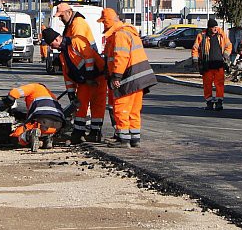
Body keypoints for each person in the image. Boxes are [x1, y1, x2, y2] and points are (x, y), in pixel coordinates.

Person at [98, 8, 157, 147]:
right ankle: (134, 138)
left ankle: (124, 139)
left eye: (104, 22)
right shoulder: (129, 32)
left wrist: (116, 76)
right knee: (134, 110)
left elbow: (121, 57)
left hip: (128, 76)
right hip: (138, 77)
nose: (103, 25)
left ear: (108, 22)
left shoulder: (120, 35)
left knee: (121, 107)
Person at [41, 26, 107, 144]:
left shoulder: (76, 41)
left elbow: (89, 58)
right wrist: (71, 94)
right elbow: (68, 77)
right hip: (85, 81)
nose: (52, 48)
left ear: (56, 40)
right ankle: (79, 133)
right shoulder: (63, 55)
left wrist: (90, 77)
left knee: (97, 105)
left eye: (51, 45)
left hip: (98, 77)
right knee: (81, 105)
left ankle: (94, 133)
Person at [3, 83, 66, 149]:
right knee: (42, 128)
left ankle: (29, 135)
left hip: (42, 118)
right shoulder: (50, 94)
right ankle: (46, 139)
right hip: (58, 123)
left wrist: (8, 101)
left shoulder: (34, 87)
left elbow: (14, 93)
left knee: (17, 135)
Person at [192, 18, 232, 110]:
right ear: (209, 28)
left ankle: (219, 102)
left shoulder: (221, 35)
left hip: (219, 64)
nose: (215, 29)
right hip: (207, 65)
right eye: (213, 27)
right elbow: (195, 48)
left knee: (219, 84)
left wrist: (225, 55)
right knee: (207, 84)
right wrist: (195, 61)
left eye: (216, 27)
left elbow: (229, 45)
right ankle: (209, 102)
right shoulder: (202, 36)